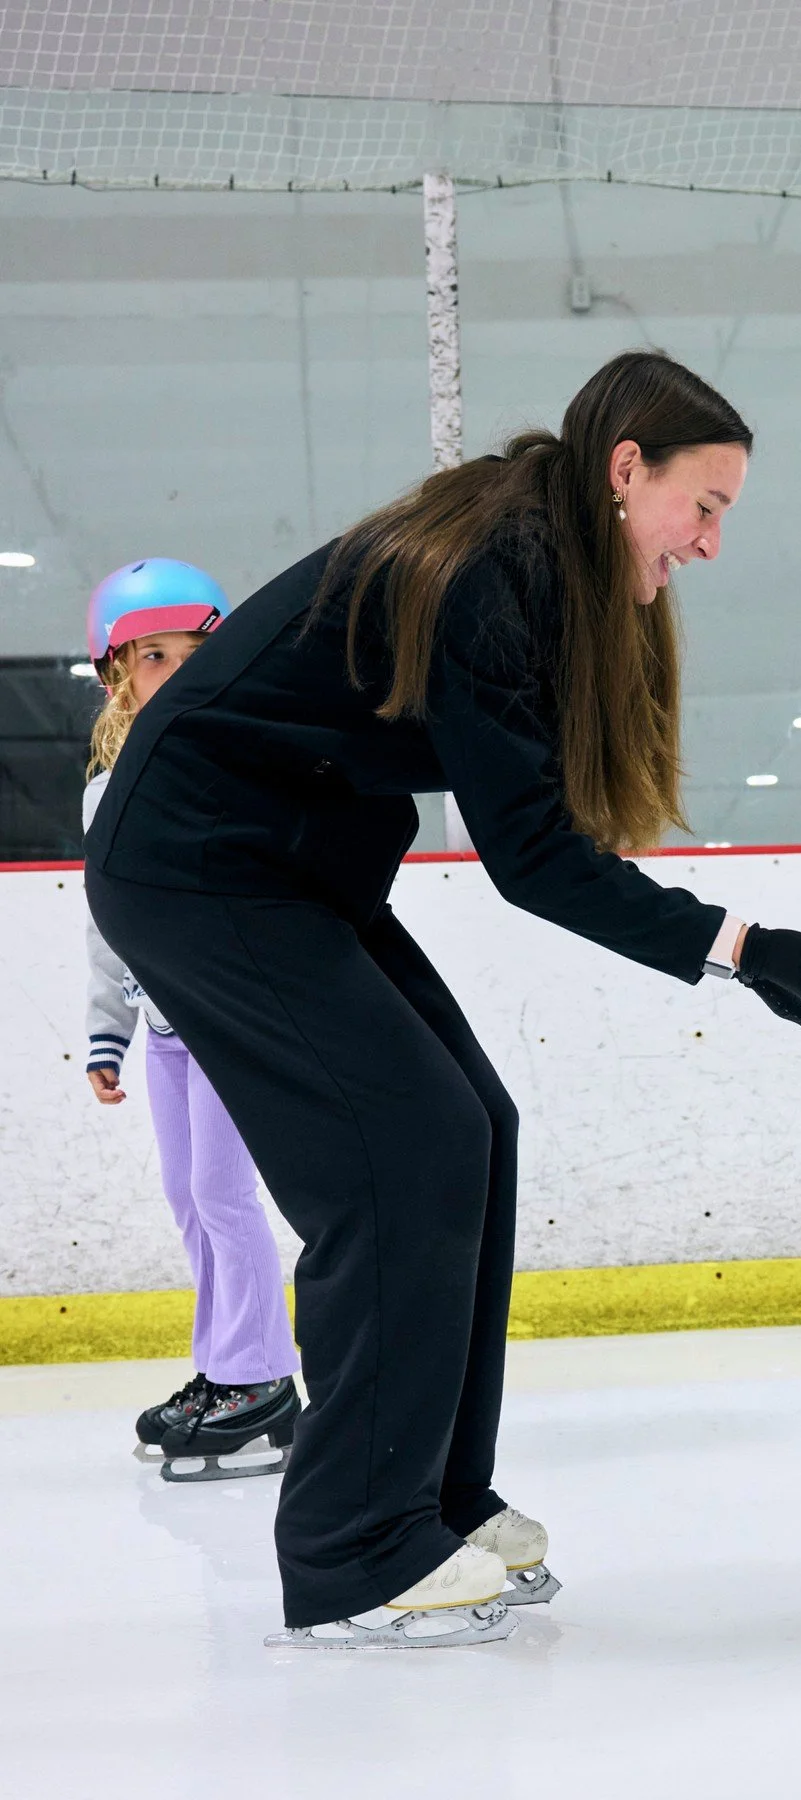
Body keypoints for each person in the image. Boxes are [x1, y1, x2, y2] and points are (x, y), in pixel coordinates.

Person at [85, 351, 801, 1651]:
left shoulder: (540, 568)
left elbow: (549, 821)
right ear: (626, 471)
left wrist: (757, 957)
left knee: (474, 1127)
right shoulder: (495, 571)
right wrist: (755, 953)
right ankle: (355, 1547)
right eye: (705, 505)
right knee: (400, 1156)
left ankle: (434, 1502)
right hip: (202, 873)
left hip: (293, 870)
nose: (713, 541)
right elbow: (534, 862)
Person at [83, 560, 300, 1482]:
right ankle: (223, 1370)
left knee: (222, 1192)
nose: (172, 673)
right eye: (153, 657)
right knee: (188, 1197)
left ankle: (261, 1380)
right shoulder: (105, 791)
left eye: (191, 655)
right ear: (117, 673)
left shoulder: (236, 763)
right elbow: (108, 918)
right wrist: (107, 1030)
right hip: (166, 1027)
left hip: (232, 1019)